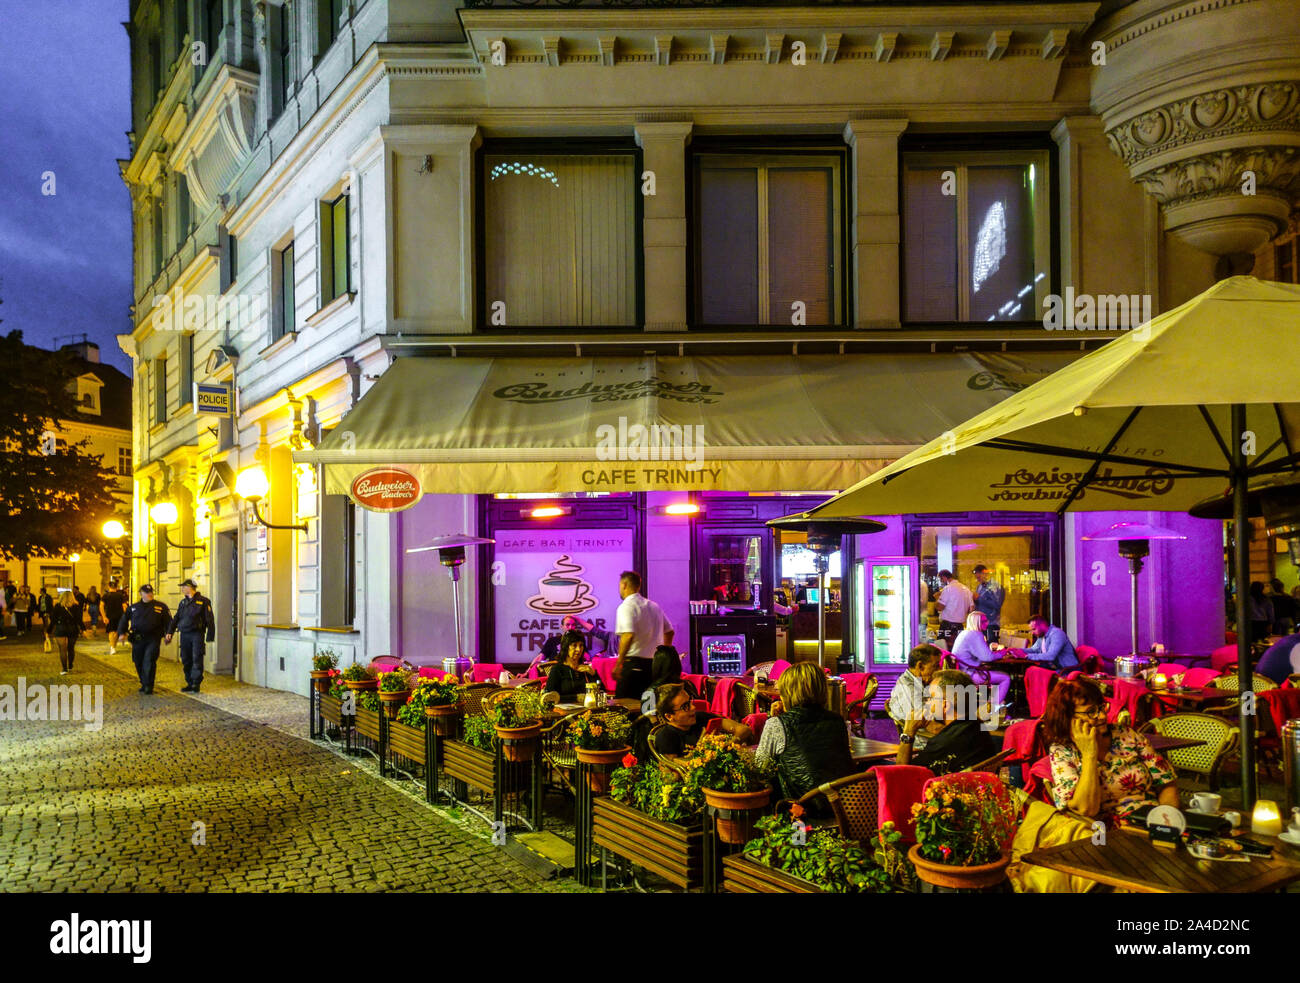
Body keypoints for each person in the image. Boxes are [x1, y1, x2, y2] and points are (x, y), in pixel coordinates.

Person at [1041, 677, 1178, 825]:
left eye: (1102, 707)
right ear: (1067, 718)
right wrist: (1089, 754)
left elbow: (1167, 783)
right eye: (1091, 712)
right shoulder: (1062, 752)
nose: (1102, 716)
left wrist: (1166, 824)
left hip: (1152, 819)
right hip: (1104, 833)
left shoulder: (1126, 734)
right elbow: (1087, 809)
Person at [754, 661, 855, 804]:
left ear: (788, 693)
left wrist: (774, 719)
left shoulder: (778, 724)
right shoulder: (837, 721)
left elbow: (759, 766)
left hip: (802, 808)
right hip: (843, 803)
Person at [897, 669, 999, 774]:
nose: (927, 702)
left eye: (931, 697)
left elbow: (902, 774)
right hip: (976, 786)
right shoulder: (976, 725)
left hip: (946, 788)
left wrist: (908, 732)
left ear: (945, 705)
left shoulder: (943, 743)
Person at [613, 570, 674, 699]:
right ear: (638, 586)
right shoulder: (654, 606)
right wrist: (664, 656)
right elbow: (669, 632)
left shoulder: (626, 606)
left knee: (624, 708)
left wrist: (619, 663)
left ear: (624, 585)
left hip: (633, 666)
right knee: (648, 708)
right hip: (653, 667)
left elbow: (628, 635)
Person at [652, 682, 752, 758]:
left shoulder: (701, 718)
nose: (693, 707)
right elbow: (670, 776)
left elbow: (743, 729)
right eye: (685, 706)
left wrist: (728, 744)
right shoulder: (666, 738)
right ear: (669, 716)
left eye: (690, 701)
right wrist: (701, 753)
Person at [887, 644, 943, 751]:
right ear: (920, 666)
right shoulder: (908, 688)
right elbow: (931, 726)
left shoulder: (921, 683)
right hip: (926, 745)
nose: (939, 670)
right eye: (936, 666)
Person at [951, 611, 1012, 707]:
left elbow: (981, 654)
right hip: (969, 674)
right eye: (983, 621)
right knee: (1005, 678)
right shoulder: (975, 634)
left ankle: (993, 707)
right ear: (976, 622)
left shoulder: (965, 633)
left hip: (962, 672)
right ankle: (993, 709)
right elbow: (988, 657)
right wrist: (1001, 653)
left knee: (995, 675)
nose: (987, 623)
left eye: (986, 620)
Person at [166, 578, 216, 694]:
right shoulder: (183, 603)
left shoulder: (203, 601)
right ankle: (189, 682)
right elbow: (176, 618)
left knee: (196, 658)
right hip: (184, 634)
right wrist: (170, 632)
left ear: (190, 587)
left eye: (184, 586)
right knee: (186, 659)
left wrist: (210, 635)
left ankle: (195, 683)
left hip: (197, 634)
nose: (182, 589)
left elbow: (210, 619)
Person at [119, 585, 171, 695]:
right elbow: (124, 620)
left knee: (149, 660)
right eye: (147, 592)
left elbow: (168, 622)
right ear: (141, 594)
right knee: (138, 661)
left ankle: (148, 685)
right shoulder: (134, 607)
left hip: (153, 638)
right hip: (138, 638)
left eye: (151, 592)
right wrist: (121, 633)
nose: (149, 594)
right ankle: (144, 682)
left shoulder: (160, 606)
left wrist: (169, 633)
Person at [542, 629, 597, 702]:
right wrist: (576, 698)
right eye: (574, 645)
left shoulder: (586, 669)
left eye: (581, 645)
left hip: (587, 710)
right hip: (563, 712)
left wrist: (593, 674)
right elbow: (549, 698)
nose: (578, 649)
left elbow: (601, 694)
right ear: (566, 647)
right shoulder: (557, 669)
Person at [541, 614, 612, 662]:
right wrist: (531, 668)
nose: (570, 627)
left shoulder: (579, 640)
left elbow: (587, 658)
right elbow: (541, 656)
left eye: (573, 625)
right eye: (567, 625)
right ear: (562, 627)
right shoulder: (552, 640)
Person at [639, 645, 684, 714]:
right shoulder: (688, 687)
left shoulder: (650, 693)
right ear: (677, 663)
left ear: (656, 665)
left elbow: (647, 721)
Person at [934, 569, 973, 643]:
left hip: (947, 626)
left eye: (940, 579)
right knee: (957, 649)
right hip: (960, 626)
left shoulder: (948, 589)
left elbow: (940, 607)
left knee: (943, 649)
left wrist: (937, 598)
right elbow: (971, 609)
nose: (941, 582)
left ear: (944, 577)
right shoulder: (966, 589)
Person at [50, 591, 83, 675]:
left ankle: (64, 669)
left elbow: (53, 620)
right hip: (72, 628)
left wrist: (48, 630)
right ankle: (70, 665)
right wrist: (83, 629)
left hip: (60, 628)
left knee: (62, 649)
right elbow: (79, 619)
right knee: (71, 648)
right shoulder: (76, 606)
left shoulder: (58, 606)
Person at [972, 564, 1004, 644]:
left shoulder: (995, 586)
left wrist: (979, 598)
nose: (977, 580)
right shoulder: (979, 587)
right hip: (981, 624)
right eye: (976, 578)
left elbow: (997, 604)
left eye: (979, 577)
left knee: (991, 648)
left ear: (985, 574)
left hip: (991, 623)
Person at [103, 582, 128, 655]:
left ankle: (112, 647)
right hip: (119, 616)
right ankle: (113, 647)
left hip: (109, 616)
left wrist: (104, 616)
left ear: (109, 586)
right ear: (116, 587)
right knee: (117, 631)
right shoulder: (120, 596)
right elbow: (124, 606)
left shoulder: (105, 596)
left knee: (111, 631)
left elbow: (101, 606)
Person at [37, 588, 54, 652]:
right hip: (42, 611)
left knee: (48, 621)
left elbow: (50, 604)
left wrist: (49, 612)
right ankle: (46, 631)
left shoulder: (48, 597)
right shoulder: (40, 597)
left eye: (40, 591)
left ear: (43, 591)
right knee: (44, 622)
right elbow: (39, 604)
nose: (39, 591)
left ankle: (48, 631)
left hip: (48, 611)